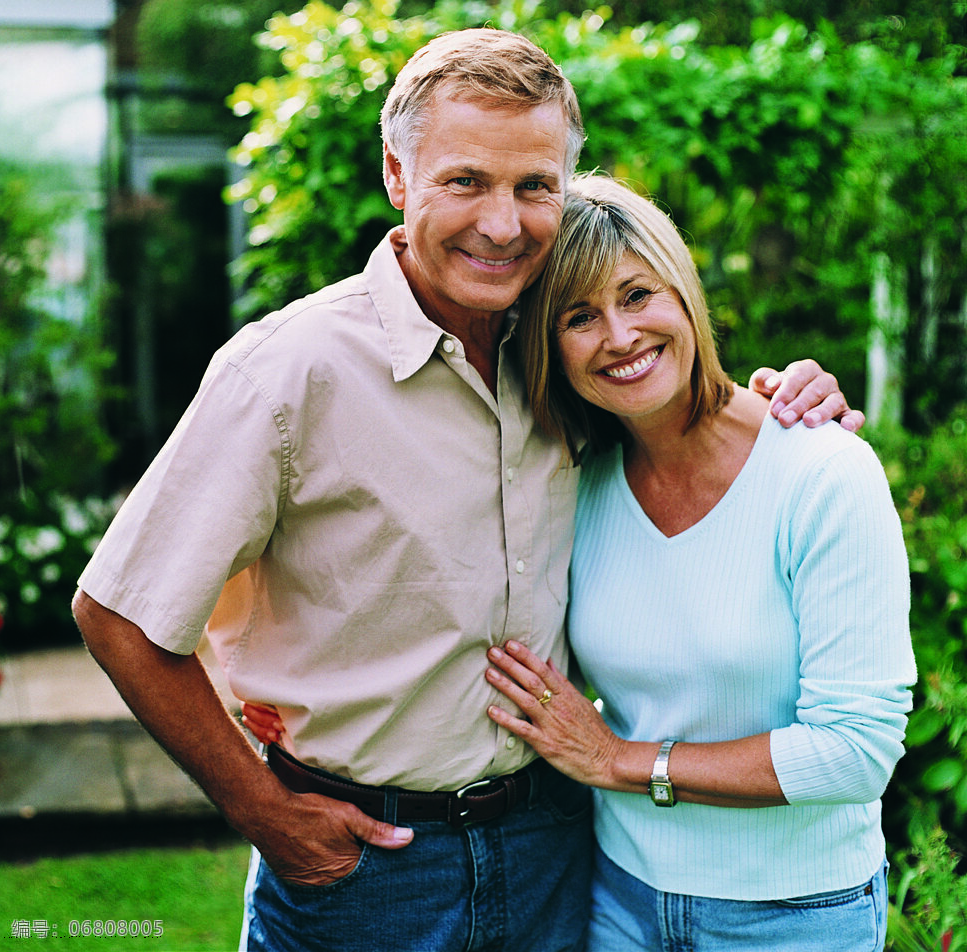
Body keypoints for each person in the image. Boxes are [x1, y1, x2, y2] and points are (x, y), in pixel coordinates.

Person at [72, 29, 861, 952]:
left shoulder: (569, 352)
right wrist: (265, 812)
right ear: (398, 178)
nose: (503, 222)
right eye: (464, 182)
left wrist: (786, 402)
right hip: (366, 867)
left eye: (534, 186)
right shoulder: (287, 372)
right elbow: (119, 614)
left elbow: (682, 403)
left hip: (557, 850)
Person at [481, 173, 916, 951]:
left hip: (794, 918)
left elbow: (855, 754)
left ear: (684, 294)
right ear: (551, 347)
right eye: (580, 316)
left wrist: (623, 761)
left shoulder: (821, 474)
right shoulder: (575, 482)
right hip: (617, 898)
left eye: (639, 294)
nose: (619, 336)